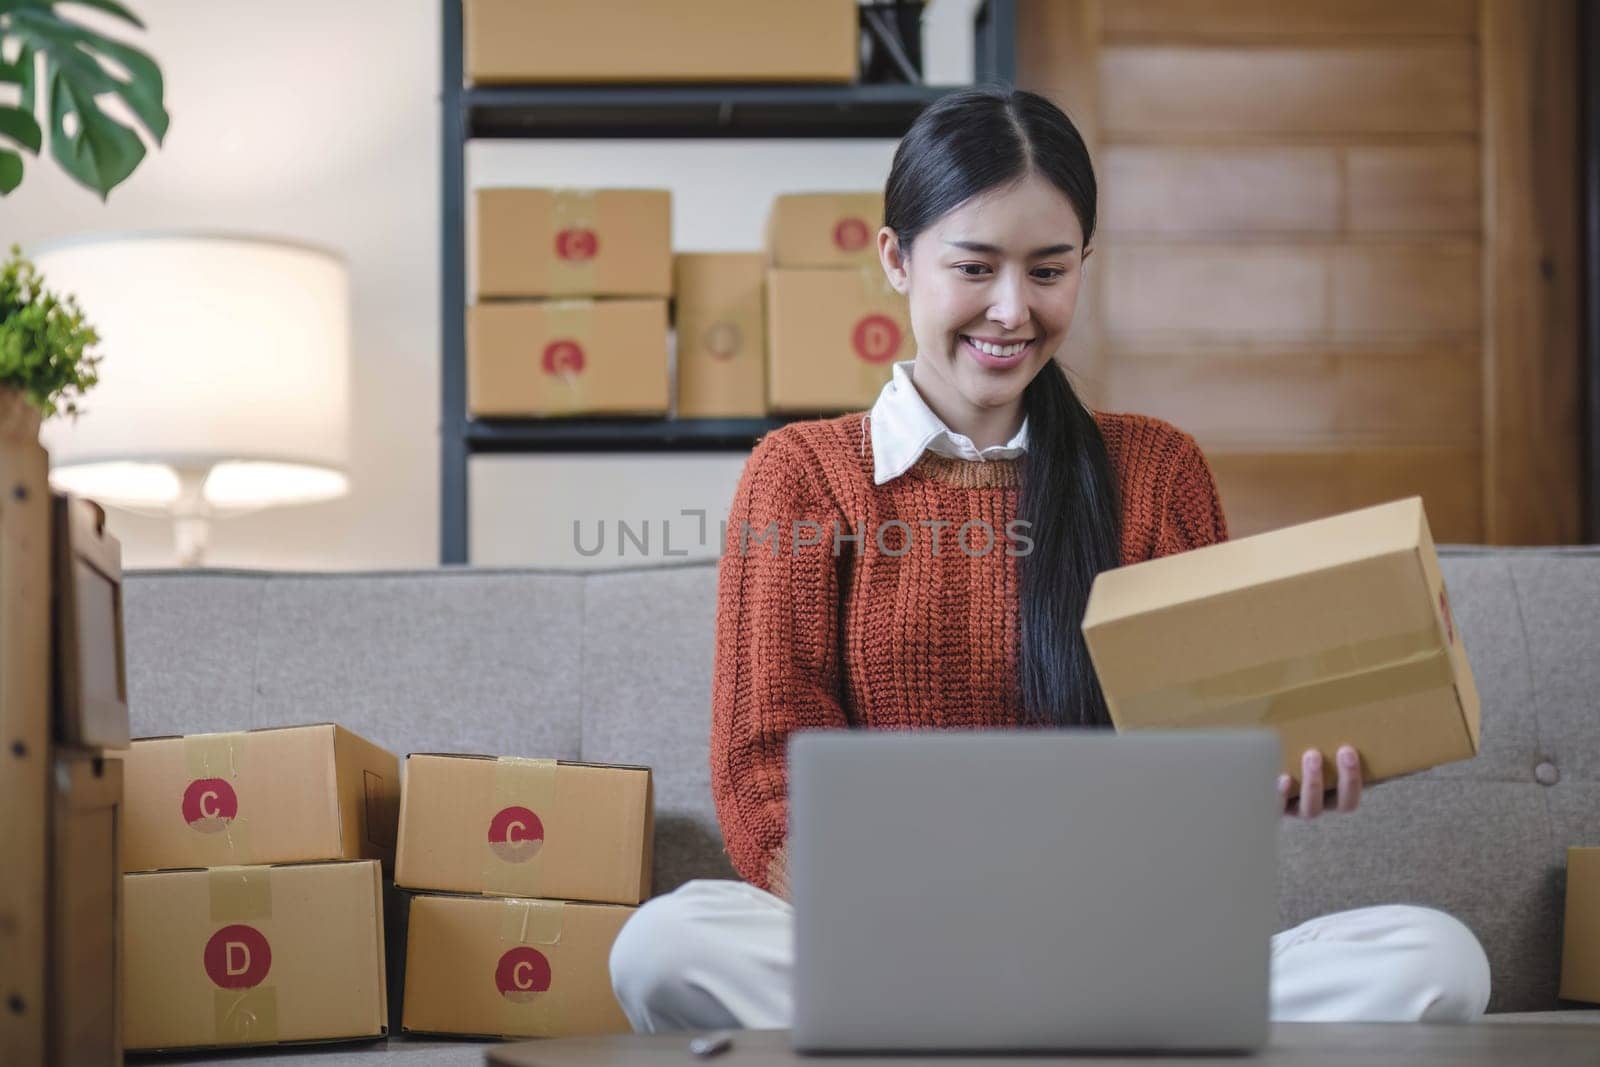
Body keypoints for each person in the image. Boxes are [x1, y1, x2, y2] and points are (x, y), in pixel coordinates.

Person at [608, 86, 1491, 1033]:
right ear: (897, 260)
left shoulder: (1157, 471)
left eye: (1048, 270)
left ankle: (980, 1034)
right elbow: (760, 771)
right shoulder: (801, 477)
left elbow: (1202, 760)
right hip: (891, 945)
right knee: (666, 942)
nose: (1011, 308)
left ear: (1084, 267)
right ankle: (1026, 1031)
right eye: (975, 266)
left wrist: (1268, 774)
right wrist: (914, 926)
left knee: (1440, 962)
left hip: (1121, 952)